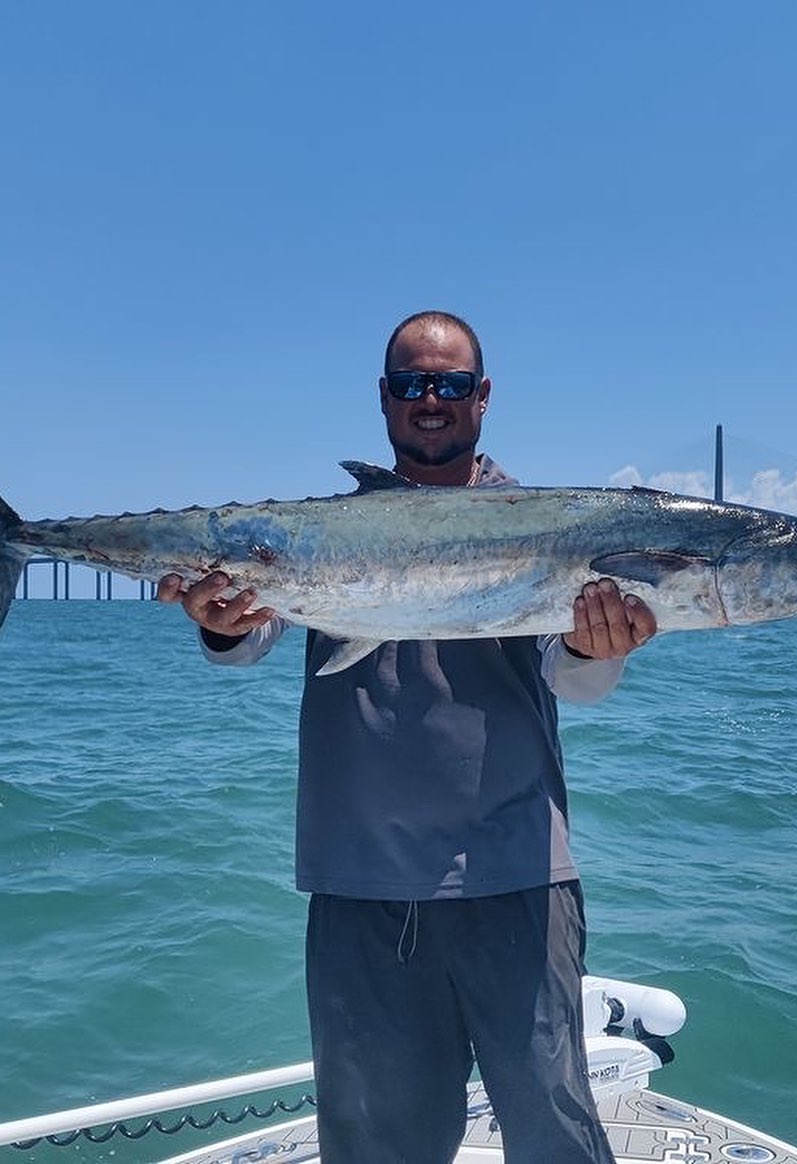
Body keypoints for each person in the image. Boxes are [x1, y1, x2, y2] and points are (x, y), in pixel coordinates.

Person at [158, 311, 657, 1164]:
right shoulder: (330, 532)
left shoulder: (547, 524)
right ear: (385, 399)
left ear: (483, 397)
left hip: (516, 877)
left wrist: (592, 642)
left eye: (452, 384)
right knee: (375, 1148)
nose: (433, 399)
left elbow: (571, 672)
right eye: (414, 383)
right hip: (361, 883)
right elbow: (250, 641)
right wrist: (219, 623)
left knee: (553, 1136)